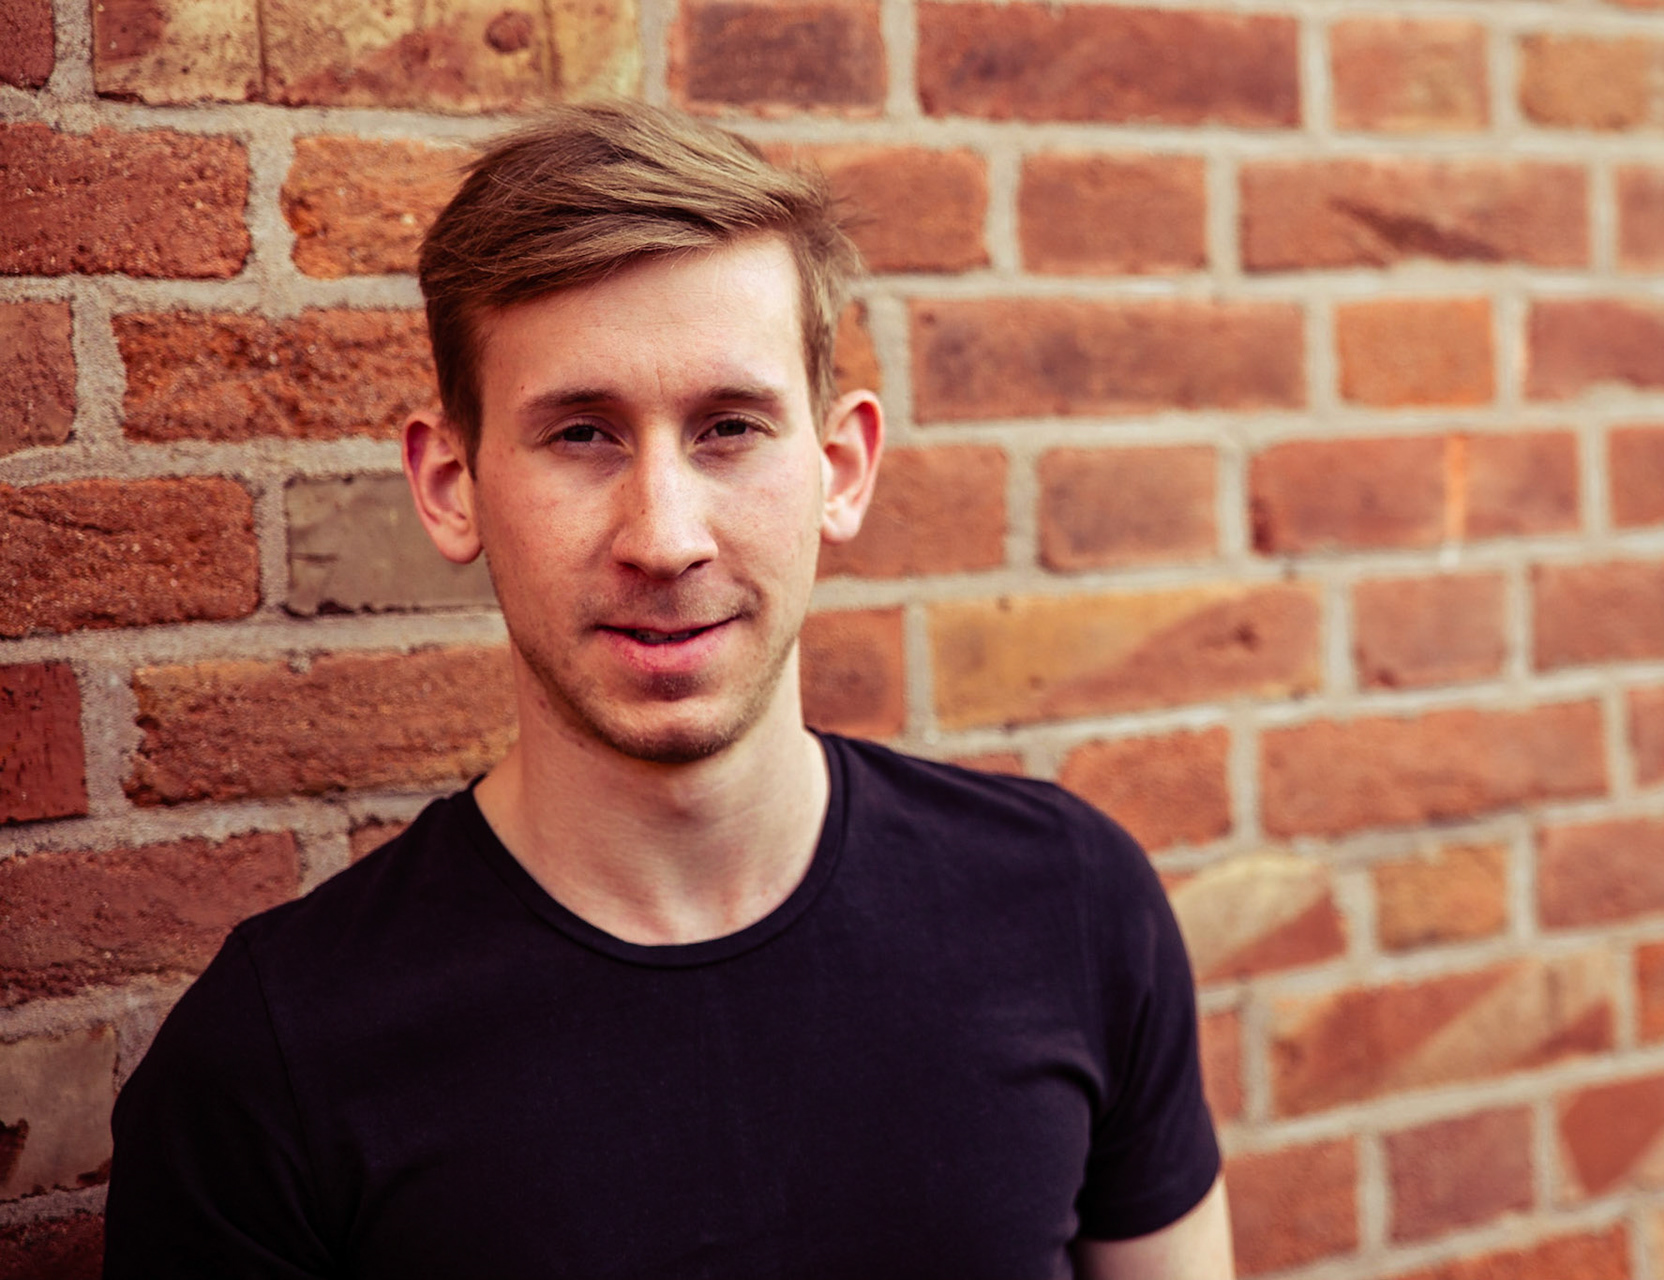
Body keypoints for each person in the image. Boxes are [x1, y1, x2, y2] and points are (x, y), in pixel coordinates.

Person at [104, 101, 1231, 1279]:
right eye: (582, 434)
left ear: (840, 469)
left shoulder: (1071, 905)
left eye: (729, 427)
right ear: (452, 485)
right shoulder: (270, 1066)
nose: (664, 536)